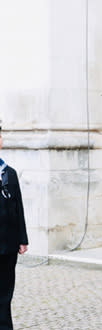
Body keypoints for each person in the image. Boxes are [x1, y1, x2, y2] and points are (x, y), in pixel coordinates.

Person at [0, 125, 28, 330]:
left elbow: (19, 207)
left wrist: (22, 238)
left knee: (6, 291)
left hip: (8, 244)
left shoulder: (10, 173)